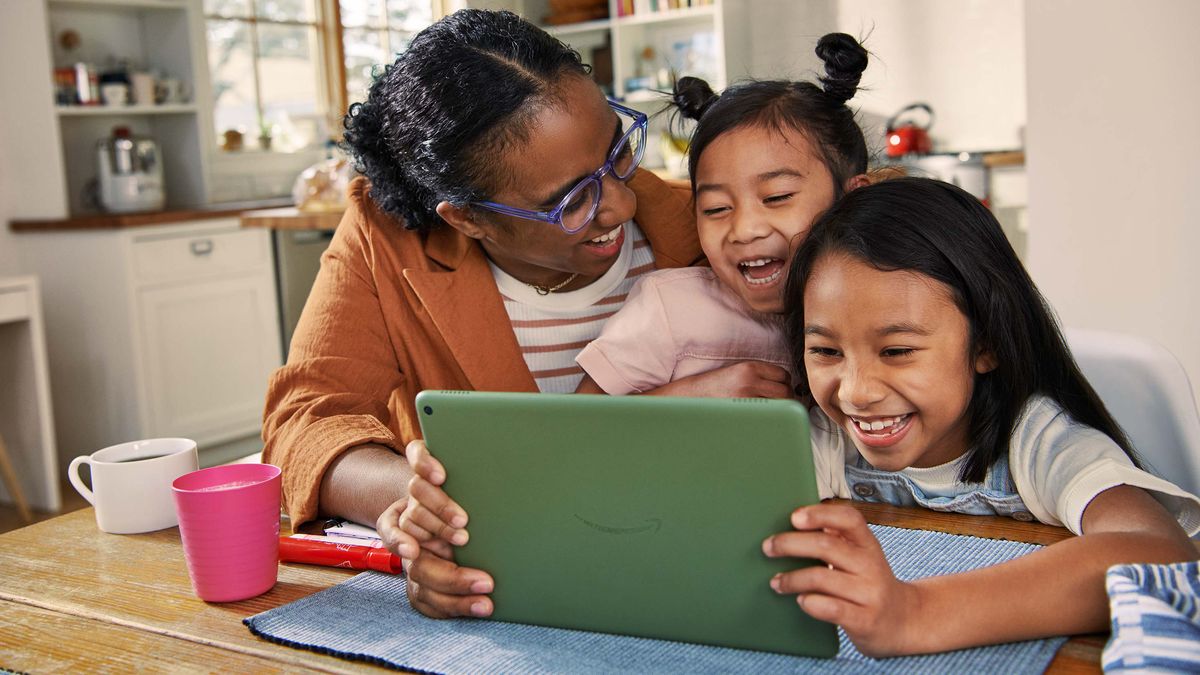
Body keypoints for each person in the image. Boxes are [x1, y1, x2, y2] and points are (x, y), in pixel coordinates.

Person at [260, 8, 743, 618]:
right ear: (464, 217)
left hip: (699, 563)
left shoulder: (712, 223)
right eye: (571, 200)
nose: (621, 202)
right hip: (522, 597)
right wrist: (423, 505)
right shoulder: (387, 240)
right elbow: (304, 420)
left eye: (618, 151)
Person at [765, 177, 1200, 657]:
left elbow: (1162, 556)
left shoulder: (1038, 441)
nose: (856, 391)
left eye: (897, 351)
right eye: (825, 350)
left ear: (987, 343)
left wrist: (914, 612)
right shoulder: (820, 438)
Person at [574, 34, 871, 396]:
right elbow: (583, 428)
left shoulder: (886, 299)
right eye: (716, 209)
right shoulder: (671, 308)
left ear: (852, 197)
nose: (743, 230)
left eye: (776, 197)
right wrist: (696, 394)